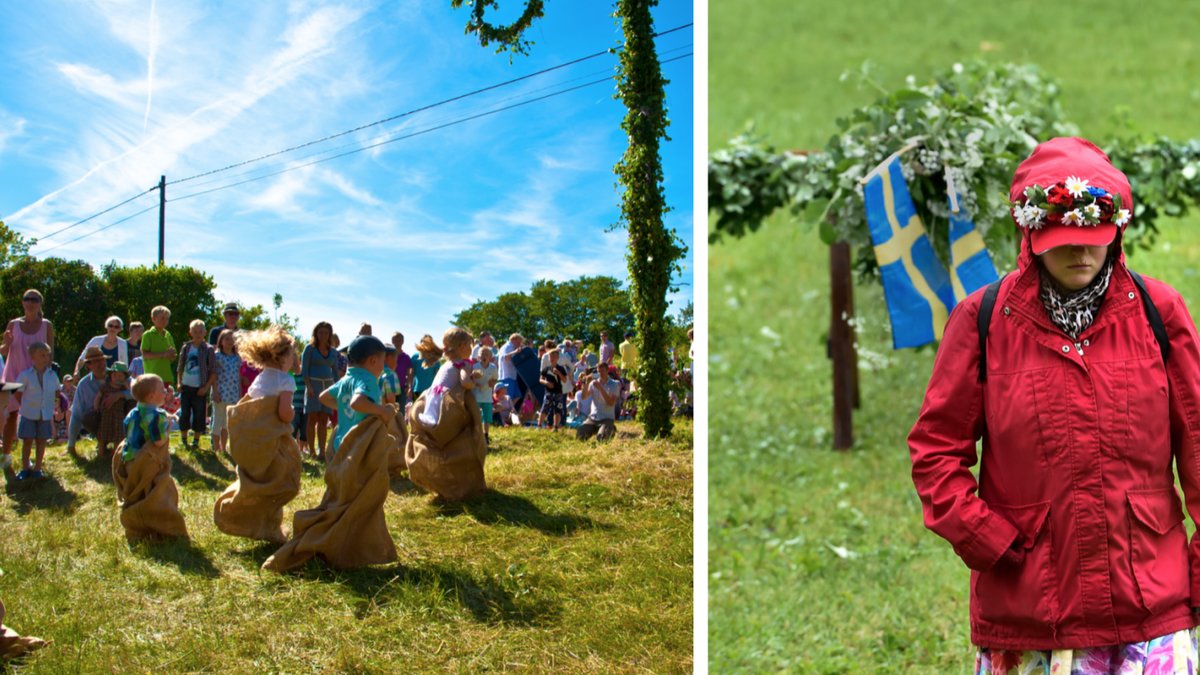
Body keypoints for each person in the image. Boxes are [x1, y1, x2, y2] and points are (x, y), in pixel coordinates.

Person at [909, 137, 1200, 671]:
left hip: (1152, 603)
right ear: (1029, 230)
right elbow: (935, 451)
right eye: (1064, 238)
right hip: (1031, 607)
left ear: (1117, 232)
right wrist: (984, 537)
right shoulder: (983, 321)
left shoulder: (1161, 312)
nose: (1082, 252)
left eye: (1095, 237)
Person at [113, 373, 188, 542]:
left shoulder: (133, 412)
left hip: (130, 460)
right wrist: (168, 427)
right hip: (147, 462)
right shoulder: (157, 417)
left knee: (135, 493)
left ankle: (136, 527)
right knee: (156, 494)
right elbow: (159, 441)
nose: (166, 392)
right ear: (151, 396)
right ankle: (159, 525)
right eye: (162, 390)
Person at [319, 335, 394, 460]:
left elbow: (323, 397)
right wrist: (382, 410)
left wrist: (343, 406)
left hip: (341, 444)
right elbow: (357, 402)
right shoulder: (368, 379)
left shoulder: (346, 379)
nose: (383, 367)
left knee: (346, 478)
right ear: (373, 361)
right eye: (383, 361)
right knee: (364, 478)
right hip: (361, 445)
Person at [1, 289, 54, 462]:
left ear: (40, 303)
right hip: (13, 375)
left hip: (36, 377)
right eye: (26, 299)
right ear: (23, 302)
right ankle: (6, 456)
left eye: (34, 299)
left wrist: (45, 375)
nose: (30, 302)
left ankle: (30, 460)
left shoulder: (47, 325)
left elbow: (50, 354)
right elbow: (3, 351)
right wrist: (6, 343)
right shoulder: (13, 324)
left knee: (33, 416)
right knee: (11, 415)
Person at [13, 341, 60, 479]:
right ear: (32, 357)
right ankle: (25, 467)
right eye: (42, 355)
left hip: (45, 414)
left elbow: (57, 391)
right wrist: (25, 406)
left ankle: (38, 468)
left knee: (41, 440)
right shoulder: (25, 375)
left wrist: (55, 404)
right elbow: (18, 393)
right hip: (29, 413)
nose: (45, 358)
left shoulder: (52, 375)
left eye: (47, 355)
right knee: (27, 441)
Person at [238, 326, 297, 425]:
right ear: (283, 358)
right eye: (292, 357)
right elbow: (284, 413)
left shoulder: (260, 378)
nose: (292, 361)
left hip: (254, 429)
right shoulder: (286, 380)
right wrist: (292, 412)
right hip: (271, 432)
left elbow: (246, 401)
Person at [417, 328, 475, 428]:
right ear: (462, 346)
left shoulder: (446, 364)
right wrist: (473, 383)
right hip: (445, 404)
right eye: (470, 345)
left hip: (432, 400)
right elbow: (465, 382)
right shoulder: (463, 364)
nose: (471, 349)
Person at [66, 347, 117, 454]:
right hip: (98, 420)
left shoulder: (117, 375)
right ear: (88, 365)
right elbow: (76, 414)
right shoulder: (83, 385)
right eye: (96, 361)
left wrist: (120, 395)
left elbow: (134, 389)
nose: (101, 364)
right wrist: (71, 445)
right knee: (88, 417)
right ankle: (102, 444)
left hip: (118, 416)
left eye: (102, 360)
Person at [176, 319, 216, 450]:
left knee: (199, 414)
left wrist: (206, 387)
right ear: (190, 333)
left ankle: (196, 440)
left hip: (200, 388)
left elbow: (213, 371)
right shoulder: (186, 347)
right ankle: (183, 439)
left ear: (204, 332)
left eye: (200, 331)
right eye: (195, 331)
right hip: (186, 386)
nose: (198, 334)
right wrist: (178, 382)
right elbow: (180, 366)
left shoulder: (209, 349)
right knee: (184, 413)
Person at [302, 322, 338, 461]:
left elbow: (335, 372)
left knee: (324, 419)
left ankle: (322, 451)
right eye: (320, 332)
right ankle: (312, 451)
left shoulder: (333, 352)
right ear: (316, 333)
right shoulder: (309, 349)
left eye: (326, 332)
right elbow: (305, 370)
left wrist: (336, 389)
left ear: (330, 334)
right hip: (313, 385)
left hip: (328, 386)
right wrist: (309, 386)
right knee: (312, 418)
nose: (323, 335)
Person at [211, 329, 242, 455]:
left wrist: (239, 393)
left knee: (226, 423)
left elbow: (238, 376)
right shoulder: (217, 356)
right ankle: (216, 448)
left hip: (233, 394)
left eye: (232, 339)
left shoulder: (237, 358)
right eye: (227, 339)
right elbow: (213, 375)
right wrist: (215, 392)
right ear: (221, 341)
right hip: (220, 393)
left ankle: (224, 447)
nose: (230, 342)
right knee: (217, 421)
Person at [95, 362, 132, 458]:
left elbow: (131, 393)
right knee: (102, 434)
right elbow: (98, 396)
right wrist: (96, 406)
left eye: (120, 376)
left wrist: (125, 385)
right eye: (115, 375)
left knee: (118, 435)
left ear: (124, 377)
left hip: (118, 415)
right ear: (110, 375)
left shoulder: (123, 388)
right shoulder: (105, 386)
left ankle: (115, 454)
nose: (117, 378)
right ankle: (101, 453)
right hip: (106, 414)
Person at [577, 365, 619, 441]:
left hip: (607, 418)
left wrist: (600, 388)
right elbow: (583, 397)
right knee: (580, 435)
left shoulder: (614, 384)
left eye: (602, 371)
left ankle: (610, 428)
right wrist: (586, 383)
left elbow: (611, 403)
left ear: (607, 371)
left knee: (602, 439)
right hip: (593, 418)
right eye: (598, 371)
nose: (600, 373)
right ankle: (599, 429)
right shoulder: (593, 383)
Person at [140, 305, 177, 386]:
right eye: (162, 318)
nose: (165, 321)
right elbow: (145, 355)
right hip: (152, 378)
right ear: (154, 319)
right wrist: (163, 354)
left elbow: (173, 356)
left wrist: (172, 355)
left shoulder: (168, 335)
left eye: (167, 318)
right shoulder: (148, 334)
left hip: (166, 377)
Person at [471, 346, 498, 443]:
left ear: (490, 357)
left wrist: (492, 382)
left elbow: (495, 379)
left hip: (487, 397)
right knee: (476, 416)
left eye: (487, 354)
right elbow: (471, 379)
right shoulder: (475, 367)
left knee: (487, 417)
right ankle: (476, 435)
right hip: (476, 396)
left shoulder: (493, 367)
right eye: (482, 353)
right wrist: (476, 384)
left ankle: (486, 434)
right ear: (478, 356)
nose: (484, 356)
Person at [538, 349, 568, 431]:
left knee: (557, 410)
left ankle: (555, 427)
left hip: (558, 392)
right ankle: (539, 426)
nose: (552, 358)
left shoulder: (561, 368)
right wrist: (546, 383)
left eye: (554, 356)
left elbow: (565, 380)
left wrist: (558, 373)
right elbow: (540, 379)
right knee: (544, 408)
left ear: (557, 357)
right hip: (548, 392)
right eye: (550, 356)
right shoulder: (546, 369)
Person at [411, 334, 442, 404]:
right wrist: (409, 387)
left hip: (430, 390)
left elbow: (438, 376)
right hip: (417, 389)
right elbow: (411, 373)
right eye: (423, 342)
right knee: (417, 410)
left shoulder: (435, 359)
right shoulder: (415, 356)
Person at [497, 333, 524, 400]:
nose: (519, 344)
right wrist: (515, 352)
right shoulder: (508, 347)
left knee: (518, 395)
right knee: (507, 398)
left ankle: (511, 409)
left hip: (511, 376)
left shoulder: (509, 347)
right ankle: (507, 410)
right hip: (506, 377)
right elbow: (504, 358)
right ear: (513, 339)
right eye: (518, 342)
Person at [391, 332, 412, 408]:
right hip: (388, 387)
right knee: (390, 408)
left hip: (402, 387)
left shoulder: (406, 357)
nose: (398, 342)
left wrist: (409, 386)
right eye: (395, 340)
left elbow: (409, 373)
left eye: (400, 340)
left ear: (403, 341)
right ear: (392, 341)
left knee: (400, 410)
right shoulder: (387, 355)